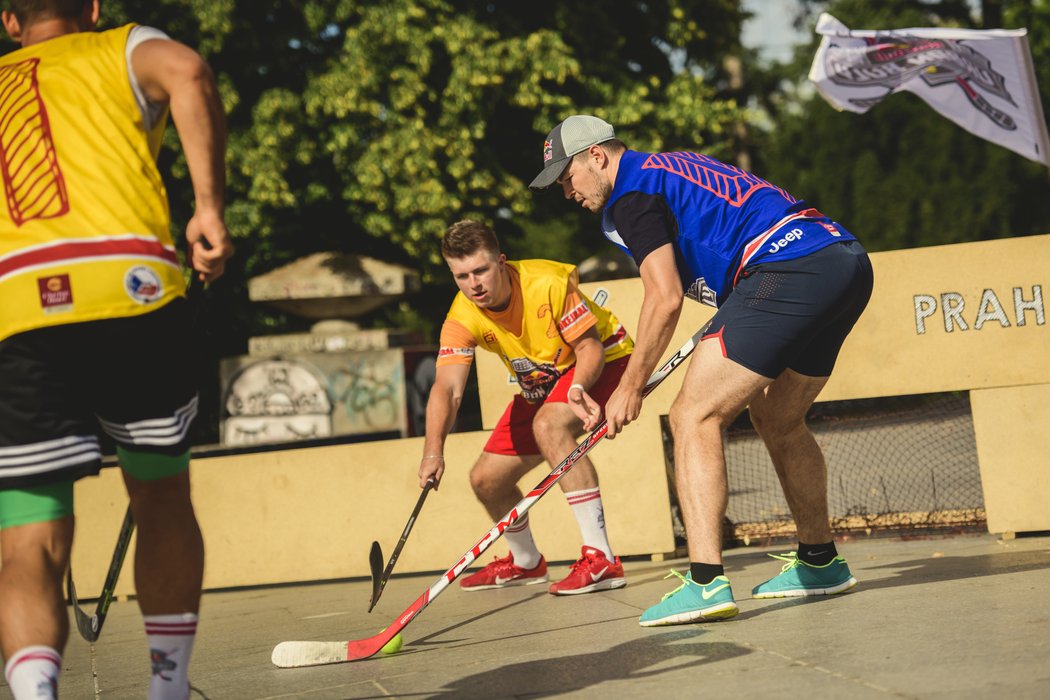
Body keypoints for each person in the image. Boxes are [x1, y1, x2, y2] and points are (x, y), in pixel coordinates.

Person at [530, 115, 873, 626]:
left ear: (597, 156)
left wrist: (629, 387)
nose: (566, 192)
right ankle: (820, 561)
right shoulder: (669, 166)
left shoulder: (632, 195)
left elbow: (665, 298)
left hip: (785, 268)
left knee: (692, 416)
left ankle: (707, 583)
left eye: (567, 177)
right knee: (778, 418)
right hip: (843, 260)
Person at [0, 1, 234, 698]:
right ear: (93, 8)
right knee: (161, 497)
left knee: (26, 538)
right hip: (130, 290)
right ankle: (167, 689)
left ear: (10, 23)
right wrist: (208, 206)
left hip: (16, 307)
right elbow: (189, 72)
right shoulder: (123, 47)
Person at [419, 219, 635, 595]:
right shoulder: (461, 316)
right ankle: (526, 563)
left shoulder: (547, 282)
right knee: (486, 480)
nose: (475, 284)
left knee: (550, 425)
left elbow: (590, 348)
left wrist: (579, 387)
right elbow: (447, 389)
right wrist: (432, 451)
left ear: (501, 262)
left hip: (606, 360)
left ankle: (602, 560)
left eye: (482, 270)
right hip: (546, 382)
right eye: (463, 276)